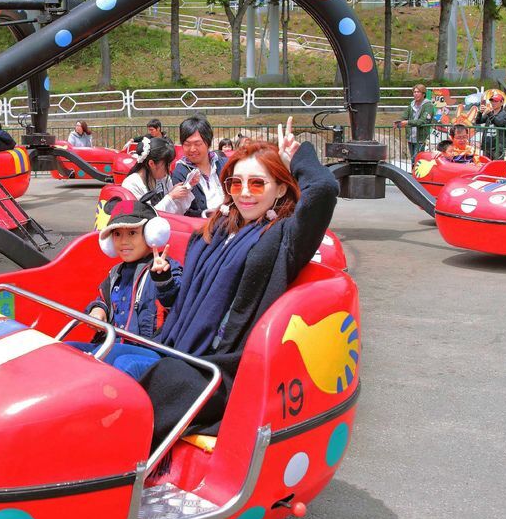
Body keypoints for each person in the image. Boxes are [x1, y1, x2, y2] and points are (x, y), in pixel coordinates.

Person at [105, 117, 339, 445]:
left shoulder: (283, 236)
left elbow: (324, 190)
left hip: (222, 367)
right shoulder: (215, 232)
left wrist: (298, 155)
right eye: (236, 183)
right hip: (176, 346)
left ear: (281, 188)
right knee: (106, 356)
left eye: (258, 184)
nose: (245, 193)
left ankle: (107, 456)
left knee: (153, 379)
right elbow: (183, 302)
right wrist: (164, 284)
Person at [72, 201, 184, 379]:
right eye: (117, 234)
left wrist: (163, 278)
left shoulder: (165, 268)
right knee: (65, 350)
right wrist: (98, 309)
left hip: (152, 352)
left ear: (151, 235)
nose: (124, 241)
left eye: (132, 233)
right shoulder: (115, 273)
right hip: (115, 345)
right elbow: (104, 299)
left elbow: (174, 299)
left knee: (119, 360)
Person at [171, 116, 226, 217]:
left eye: (197, 144)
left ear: (208, 143)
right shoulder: (179, 174)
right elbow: (183, 212)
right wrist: (208, 214)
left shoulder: (224, 164)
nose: (192, 149)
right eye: (187, 144)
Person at [121, 137, 193, 214]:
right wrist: (170, 196)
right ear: (151, 163)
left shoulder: (164, 178)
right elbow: (145, 217)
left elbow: (175, 211)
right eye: (167, 164)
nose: (169, 169)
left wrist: (186, 188)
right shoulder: (131, 184)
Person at [395, 84, 436, 162]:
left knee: (417, 159)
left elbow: (422, 121)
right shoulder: (412, 104)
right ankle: (413, 173)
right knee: (413, 159)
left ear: (423, 94)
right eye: (414, 92)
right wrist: (399, 123)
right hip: (411, 137)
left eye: (418, 92)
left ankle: (416, 174)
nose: (416, 94)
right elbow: (404, 116)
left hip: (421, 138)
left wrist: (407, 122)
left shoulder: (428, 105)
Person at [475, 90, 506, 160]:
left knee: (496, 165)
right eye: (492, 101)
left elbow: (499, 123)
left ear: (502, 103)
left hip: (497, 146)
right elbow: (478, 121)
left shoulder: (505, 114)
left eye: (496, 101)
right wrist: (480, 112)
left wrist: (489, 113)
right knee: (486, 164)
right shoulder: (490, 112)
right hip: (487, 144)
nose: (493, 103)